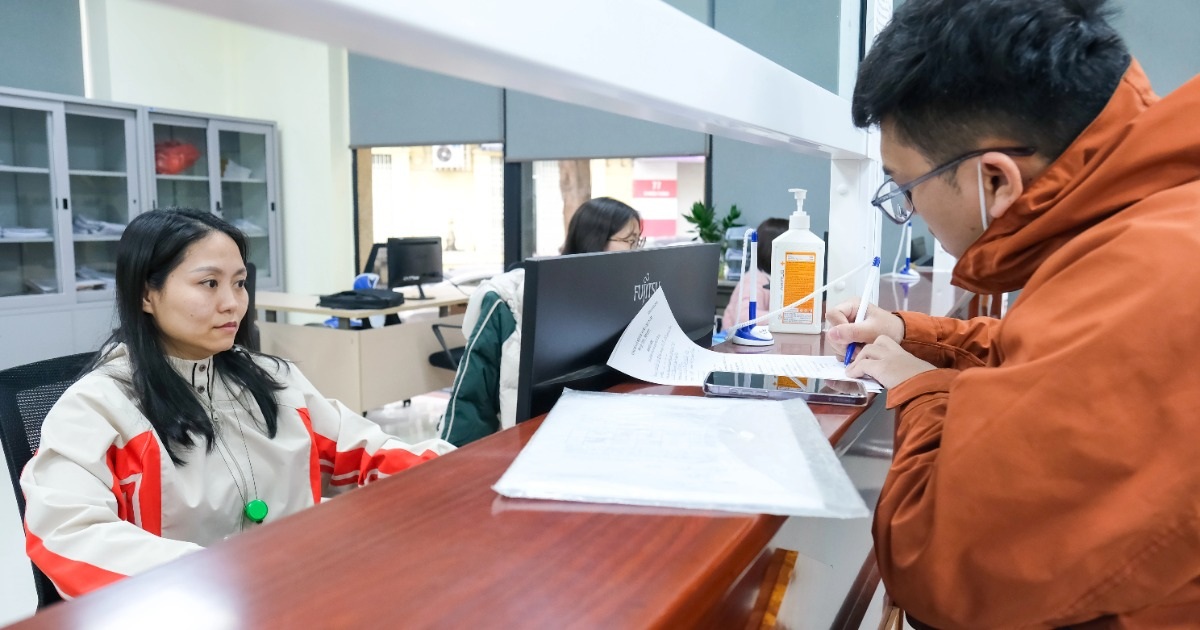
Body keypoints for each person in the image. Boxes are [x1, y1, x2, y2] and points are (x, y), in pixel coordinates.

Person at [823, 0, 1200, 626]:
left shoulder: (1154, 273)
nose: (909, 211)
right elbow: (1051, 355)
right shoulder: (1157, 216)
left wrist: (921, 391)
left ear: (995, 180)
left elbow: (943, 567)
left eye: (905, 188)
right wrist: (912, 333)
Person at [21, 209, 454, 599]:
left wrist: (464, 471)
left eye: (240, 283)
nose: (233, 303)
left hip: (300, 594)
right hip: (186, 609)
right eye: (209, 283)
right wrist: (220, 574)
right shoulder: (98, 408)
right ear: (146, 295)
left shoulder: (273, 381)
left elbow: (364, 453)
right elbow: (67, 535)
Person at [440, 197, 642, 446]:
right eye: (630, 241)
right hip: (534, 439)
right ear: (595, 239)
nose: (637, 251)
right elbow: (471, 401)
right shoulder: (514, 302)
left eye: (639, 241)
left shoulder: (619, 299)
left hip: (596, 430)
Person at [721, 218, 788, 332]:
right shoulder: (755, 280)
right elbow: (745, 317)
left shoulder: (777, 279)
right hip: (733, 340)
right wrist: (786, 317)